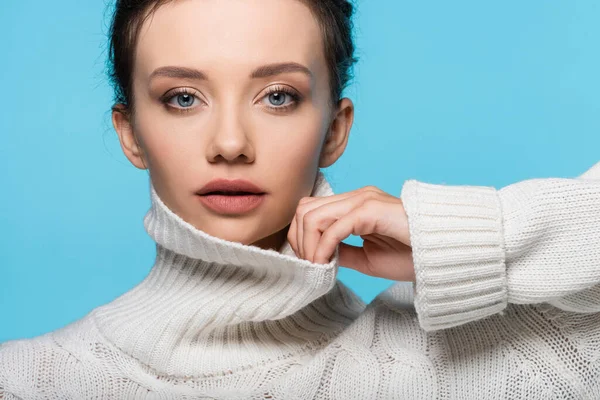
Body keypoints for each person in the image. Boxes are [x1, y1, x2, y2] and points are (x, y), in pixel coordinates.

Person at [1, 0, 599, 398]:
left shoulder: (450, 364)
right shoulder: (25, 381)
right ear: (129, 131)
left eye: (278, 96)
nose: (230, 143)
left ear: (335, 129)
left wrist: (473, 242)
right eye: (183, 97)